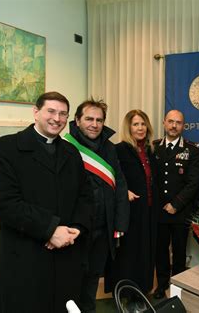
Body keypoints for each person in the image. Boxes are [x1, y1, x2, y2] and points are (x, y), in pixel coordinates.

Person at [0, 92, 93, 313]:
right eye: (51, 111)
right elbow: (5, 203)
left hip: (66, 255)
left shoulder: (71, 152)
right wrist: (50, 229)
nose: (57, 118)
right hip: (26, 258)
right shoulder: (6, 148)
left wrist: (76, 229)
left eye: (63, 114)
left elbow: (85, 197)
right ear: (36, 112)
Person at [66, 99, 130, 313]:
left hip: (103, 228)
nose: (94, 124)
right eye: (89, 119)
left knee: (93, 277)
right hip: (75, 230)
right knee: (72, 280)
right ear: (77, 120)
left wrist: (119, 223)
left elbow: (120, 185)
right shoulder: (65, 146)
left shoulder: (110, 148)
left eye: (99, 120)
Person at [105, 109, 158, 295]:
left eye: (143, 124)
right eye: (136, 124)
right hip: (129, 212)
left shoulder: (151, 150)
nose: (140, 128)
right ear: (129, 127)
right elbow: (110, 178)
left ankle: (142, 292)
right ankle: (126, 293)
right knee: (128, 256)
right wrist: (123, 191)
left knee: (146, 253)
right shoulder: (118, 150)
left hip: (149, 211)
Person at [152, 109, 199, 299]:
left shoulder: (192, 150)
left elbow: (193, 183)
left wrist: (176, 204)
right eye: (170, 121)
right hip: (159, 211)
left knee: (180, 252)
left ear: (183, 126)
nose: (174, 126)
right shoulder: (154, 146)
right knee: (160, 251)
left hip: (180, 211)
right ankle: (161, 285)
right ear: (164, 123)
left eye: (178, 122)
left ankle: (177, 287)